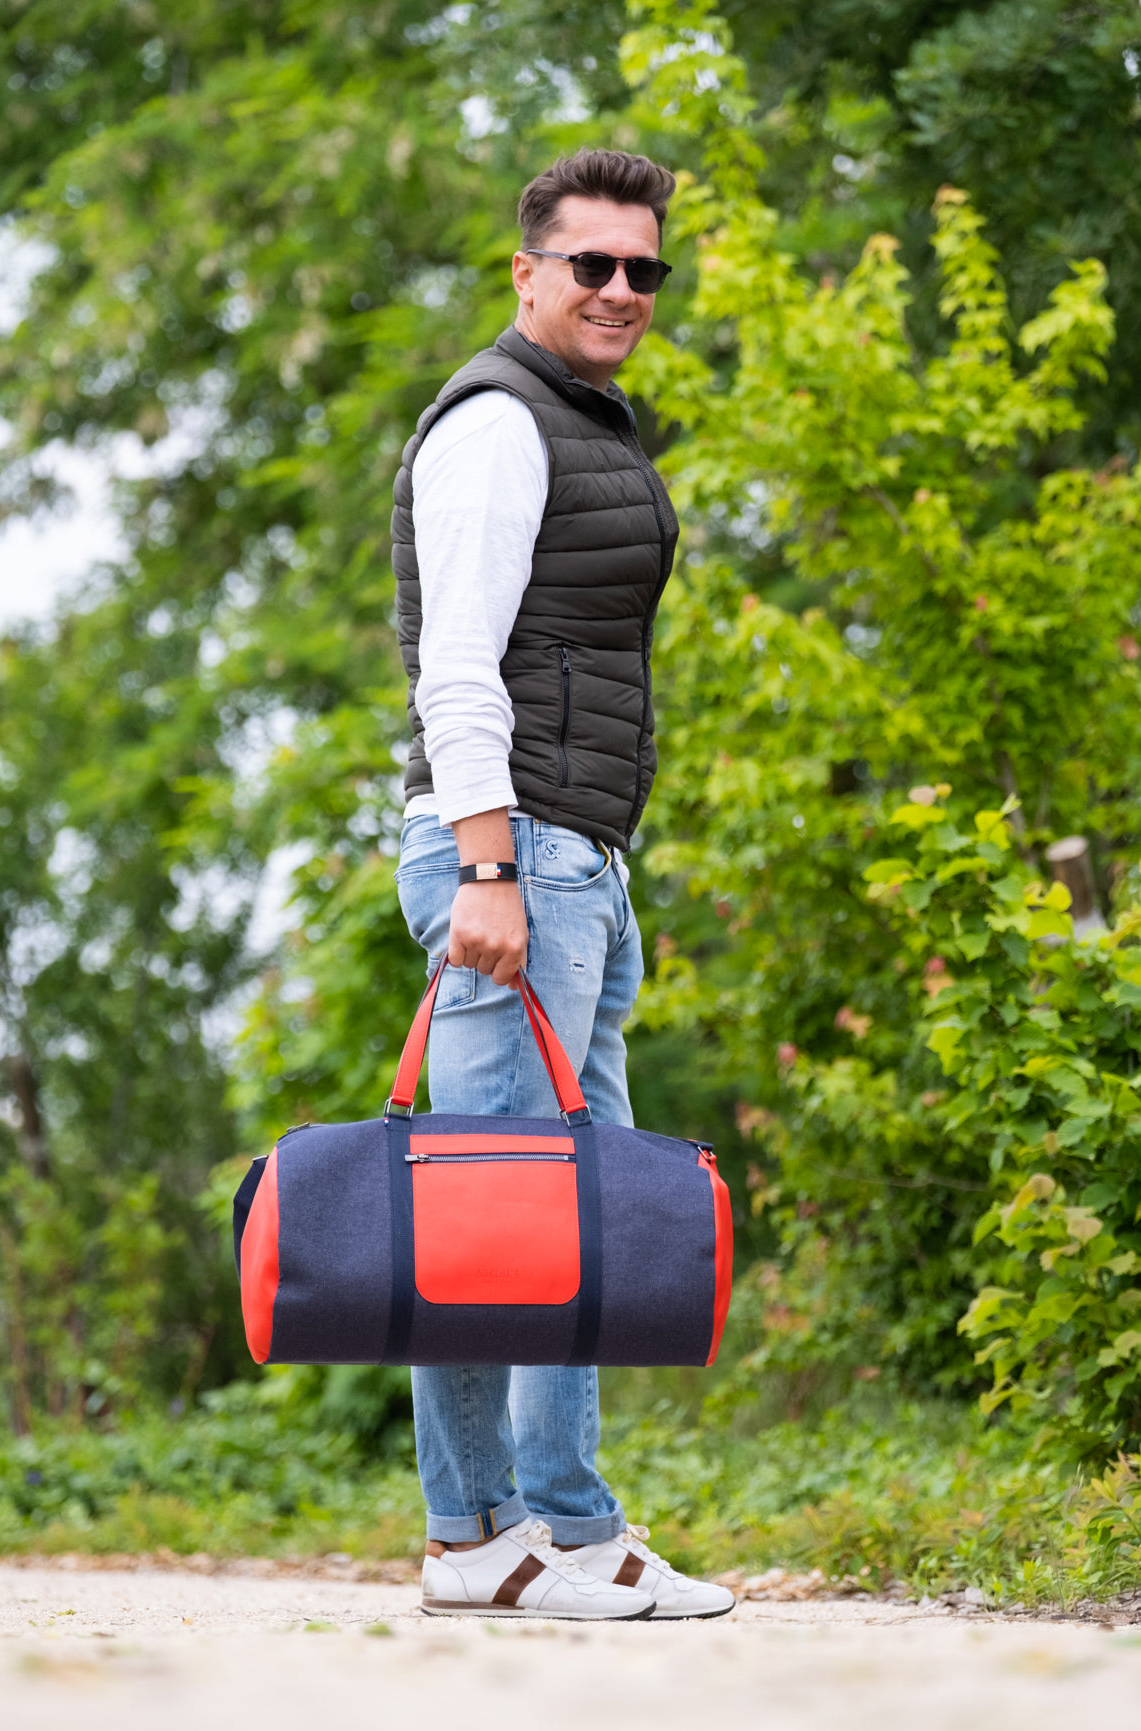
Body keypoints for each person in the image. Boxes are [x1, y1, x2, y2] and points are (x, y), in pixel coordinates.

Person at [390, 148, 735, 1623]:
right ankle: (565, 1538)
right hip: (514, 851)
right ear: (526, 270)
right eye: (589, 264)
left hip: (564, 854)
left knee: (510, 1205)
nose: (617, 290)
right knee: (530, 1210)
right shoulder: (498, 427)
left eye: (641, 269)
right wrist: (487, 861)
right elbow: (457, 662)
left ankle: (476, 1543)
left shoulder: (581, 422)